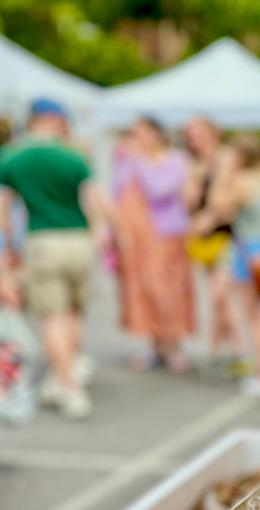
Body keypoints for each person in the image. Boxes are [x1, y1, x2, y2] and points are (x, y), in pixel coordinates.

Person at [0, 99, 111, 419]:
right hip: (78, 240)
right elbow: (95, 201)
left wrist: (8, 251)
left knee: (53, 317)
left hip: (43, 241)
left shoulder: (13, 158)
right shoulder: (74, 156)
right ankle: (67, 370)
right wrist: (104, 232)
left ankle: (68, 385)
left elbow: (3, 211)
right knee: (74, 312)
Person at [209, 133, 260, 398]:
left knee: (254, 318)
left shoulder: (243, 181)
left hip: (249, 252)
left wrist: (222, 175)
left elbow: (219, 209)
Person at [113, 117, 195, 373]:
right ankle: (156, 345)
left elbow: (159, 190)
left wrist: (138, 161)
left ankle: (173, 344)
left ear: (157, 134)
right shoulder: (129, 162)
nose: (136, 140)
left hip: (165, 235)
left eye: (142, 134)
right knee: (143, 290)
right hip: (138, 239)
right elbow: (118, 193)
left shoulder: (174, 160)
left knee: (167, 290)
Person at [184, 117, 242, 363]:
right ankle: (217, 352)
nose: (193, 139)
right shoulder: (196, 164)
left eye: (198, 133)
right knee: (217, 297)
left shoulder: (226, 158)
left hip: (227, 235)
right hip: (205, 240)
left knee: (220, 295)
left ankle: (238, 350)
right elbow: (188, 202)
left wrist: (208, 217)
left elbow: (224, 201)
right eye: (190, 135)